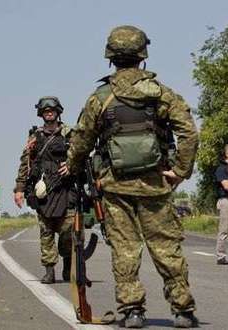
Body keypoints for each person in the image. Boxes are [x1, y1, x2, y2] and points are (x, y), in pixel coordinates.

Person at [59, 25, 199, 328]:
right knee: (166, 247)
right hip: (155, 185)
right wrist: (179, 172)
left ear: (111, 57)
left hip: (115, 186)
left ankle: (132, 310)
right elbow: (189, 132)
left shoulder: (101, 97)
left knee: (124, 249)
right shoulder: (161, 93)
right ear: (142, 55)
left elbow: (81, 140)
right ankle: (183, 310)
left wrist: (71, 166)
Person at [14, 96, 74, 284]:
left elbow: (83, 154)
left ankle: (67, 265)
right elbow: (26, 163)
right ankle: (49, 271)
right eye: (46, 111)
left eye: (52, 110)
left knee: (68, 230)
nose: (49, 113)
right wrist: (19, 189)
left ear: (58, 112)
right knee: (46, 232)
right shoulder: (35, 136)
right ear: (41, 114)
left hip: (65, 188)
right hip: (43, 190)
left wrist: (71, 164)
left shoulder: (69, 133)